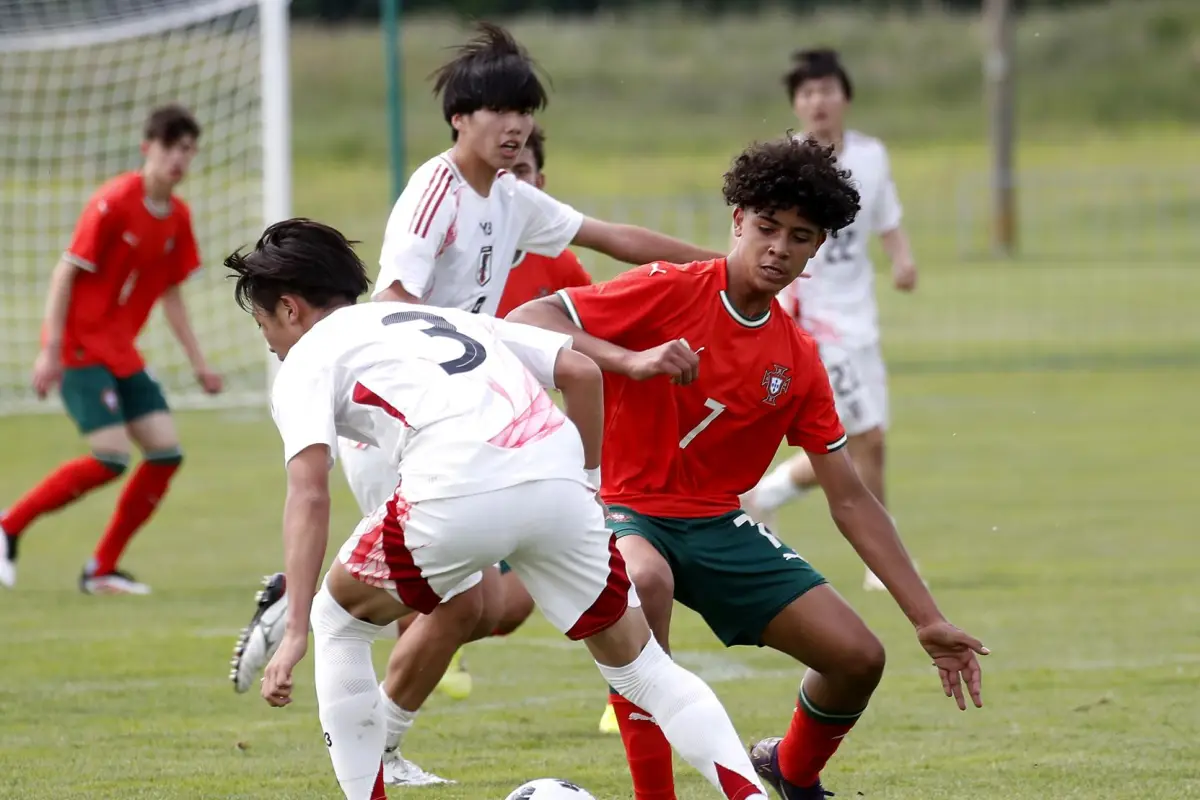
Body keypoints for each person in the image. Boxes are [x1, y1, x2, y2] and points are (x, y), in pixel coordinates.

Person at [227, 20, 723, 783]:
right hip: (400, 429)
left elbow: (611, 235)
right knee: (460, 607)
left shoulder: (512, 196)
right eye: (499, 109)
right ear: (461, 118)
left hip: (471, 420)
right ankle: (362, 721)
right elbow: (391, 301)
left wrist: (726, 269)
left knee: (499, 608)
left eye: (526, 110)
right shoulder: (436, 193)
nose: (517, 125)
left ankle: (361, 707)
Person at [508, 135, 988, 800]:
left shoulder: (796, 356)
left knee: (857, 659)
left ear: (817, 248)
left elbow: (849, 498)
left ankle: (790, 769)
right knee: (643, 581)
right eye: (765, 228)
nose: (778, 248)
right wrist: (629, 360)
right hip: (626, 506)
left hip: (719, 525)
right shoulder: (669, 289)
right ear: (737, 222)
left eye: (799, 236)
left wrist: (926, 617)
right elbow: (528, 320)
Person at [227, 218, 771, 800]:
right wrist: (586, 485)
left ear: (288, 309)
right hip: (556, 479)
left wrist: (293, 631)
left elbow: (309, 492)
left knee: (337, 621)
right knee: (646, 671)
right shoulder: (441, 317)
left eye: (265, 327)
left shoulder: (310, 354)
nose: (273, 346)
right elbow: (580, 371)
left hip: (455, 486)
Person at [0, 104, 222, 594]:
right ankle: (8, 525)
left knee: (165, 451)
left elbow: (171, 294)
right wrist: (50, 350)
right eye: (169, 147)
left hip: (120, 350)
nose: (178, 159)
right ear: (148, 148)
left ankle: (101, 569)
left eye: (187, 149)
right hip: (79, 346)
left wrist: (201, 364)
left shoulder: (178, 217)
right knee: (112, 455)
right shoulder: (113, 201)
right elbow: (66, 271)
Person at [740, 49, 920, 593]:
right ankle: (879, 559)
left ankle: (766, 496)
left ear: (845, 96)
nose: (818, 102)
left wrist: (902, 258)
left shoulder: (871, 156)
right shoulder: (787, 161)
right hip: (814, 316)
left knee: (866, 439)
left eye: (827, 90)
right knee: (864, 436)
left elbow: (886, 218)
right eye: (807, 93)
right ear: (796, 103)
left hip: (860, 316)